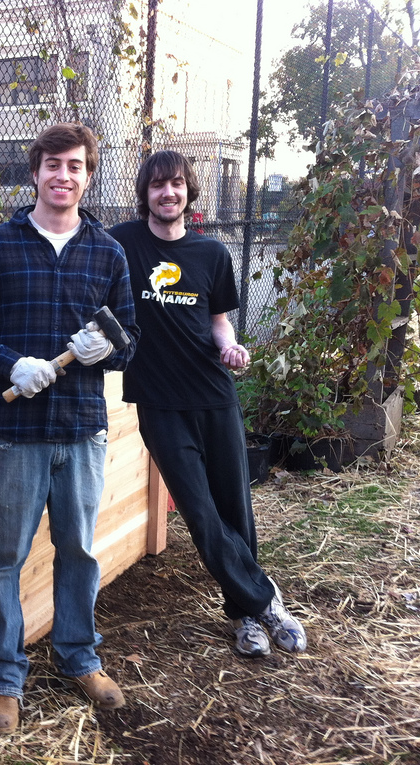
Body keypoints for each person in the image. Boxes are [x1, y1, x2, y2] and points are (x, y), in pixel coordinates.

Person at [0, 123, 139, 735]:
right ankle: (4, 675)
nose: (64, 175)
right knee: (5, 559)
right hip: (13, 434)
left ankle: (78, 657)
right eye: (53, 164)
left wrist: (99, 348)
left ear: (88, 174)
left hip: (82, 430)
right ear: (35, 173)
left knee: (78, 551)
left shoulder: (107, 253)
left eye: (76, 165)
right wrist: (9, 364)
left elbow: (128, 345)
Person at [108, 150, 307, 659]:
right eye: (157, 185)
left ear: (188, 191)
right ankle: (267, 600)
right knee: (199, 513)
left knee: (235, 507)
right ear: (145, 193)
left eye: (175, 184)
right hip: (158, 401)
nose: (167, 193)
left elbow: (218, 321)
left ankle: (244, 616)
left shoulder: (212, 254)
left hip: (215, 396)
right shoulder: (123, 242)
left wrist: (229, 346)